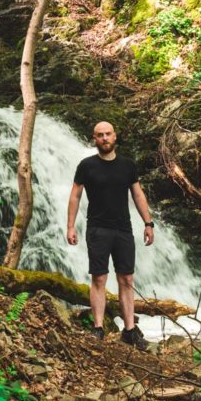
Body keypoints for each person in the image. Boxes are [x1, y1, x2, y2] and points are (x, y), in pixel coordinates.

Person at [66, 121, 154, 349]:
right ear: (94, 139)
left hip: (124, 229)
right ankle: (98, 328)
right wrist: (70, 226)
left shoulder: (128, 166)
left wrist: (148, 223)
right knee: (99, 278)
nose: (104, 138)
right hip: (97, 229)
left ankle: (130, 331)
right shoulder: (86, 166)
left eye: (108, 134)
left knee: (126, 279)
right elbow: (75, 196)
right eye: (100, 135)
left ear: (115, 137)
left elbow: (138, 195)